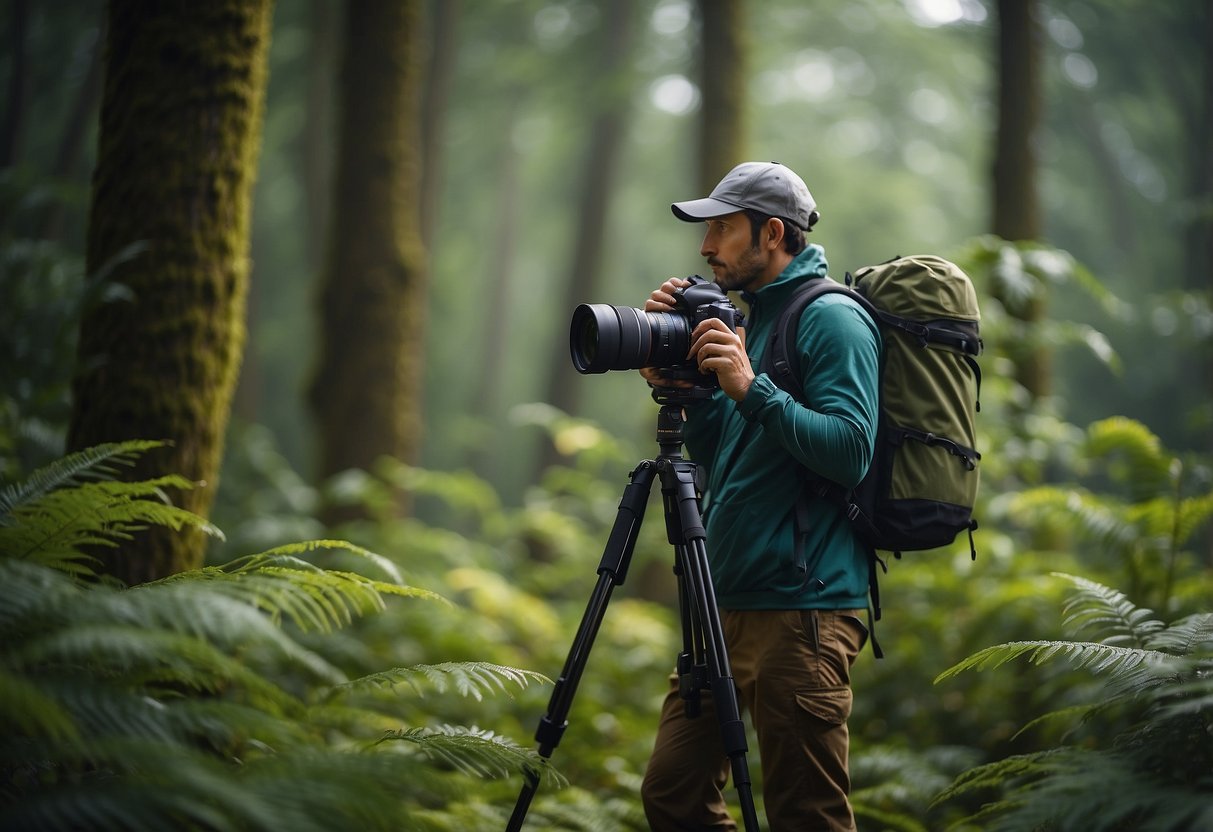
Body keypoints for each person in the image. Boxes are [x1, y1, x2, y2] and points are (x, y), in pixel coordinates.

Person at [638, 161, 881, 831]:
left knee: (806, 818)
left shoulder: (831, 319)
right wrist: (683, 390)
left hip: (802, 611)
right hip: (727, 606)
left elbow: (848, 450)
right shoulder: (751, 323)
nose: (705, 246)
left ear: (771, 233)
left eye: (721, 228)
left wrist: (753, 388)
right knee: (673, 794)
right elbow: (726, 455)